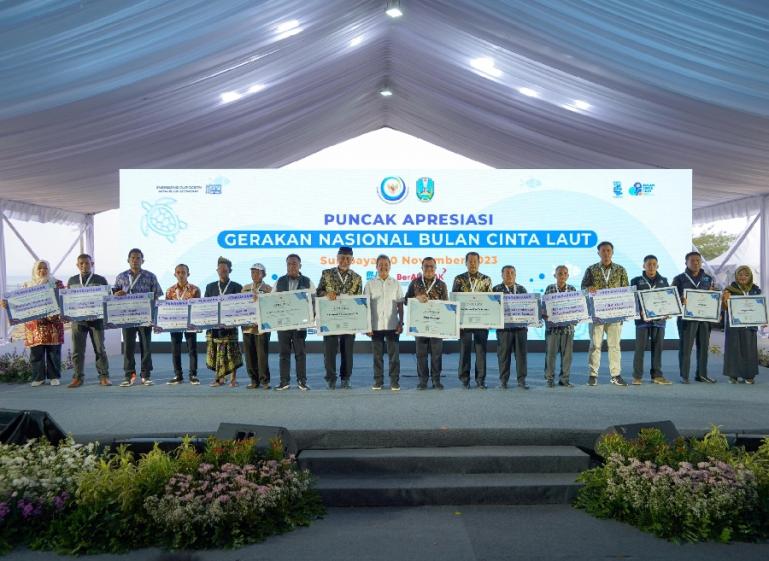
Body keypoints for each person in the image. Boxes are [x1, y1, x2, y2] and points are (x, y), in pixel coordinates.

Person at [580, 241, 630, 386]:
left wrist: (624, 312)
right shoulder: (591, 269)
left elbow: (626, 290)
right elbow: (583, 287)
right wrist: (588, 289)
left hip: (615, 314)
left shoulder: (620, 269)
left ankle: (615, 375)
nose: (606, 253)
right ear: (598, 253)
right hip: (596, 314)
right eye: (603, 250)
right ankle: (593, 375)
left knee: (614, 345)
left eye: (608, 250)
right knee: (595, 345)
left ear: (612, 252)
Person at [113, 248, 163, 387]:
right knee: (128, 347)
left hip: (145, 317)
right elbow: (114, 295)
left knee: (146, 346)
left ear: (143, 260)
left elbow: (157, 296)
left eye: (138, 258)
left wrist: (154, 317)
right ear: (128, 260)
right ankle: (129, 375)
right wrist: (117, 294)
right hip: (126, 317)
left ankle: (146, 375)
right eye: (133, 258)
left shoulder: (150, 276)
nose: (135, 260)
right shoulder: (121, 276)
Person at [12, 260, 65, 387]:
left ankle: (54, 377)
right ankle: (38, 377)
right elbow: (19, 303)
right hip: (34, 325)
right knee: (36, 353)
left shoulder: (56, 283)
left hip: (53, 324)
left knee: (53, 352)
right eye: (39, 268)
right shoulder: (27, 286)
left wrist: (57, 313)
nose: (42, 271)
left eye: (45, 268)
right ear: (35, 270)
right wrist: (7, 304)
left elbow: (64, 299)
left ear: (49, 269)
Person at [317, 246, 363, 389]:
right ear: (337, 258)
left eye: (348, 258)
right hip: (330, 318)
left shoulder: (357, 278)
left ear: (352, 260)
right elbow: (318, 292)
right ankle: (330, 378)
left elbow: (360, 300)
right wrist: (326, 294)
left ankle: (346, 378)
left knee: (347, 351)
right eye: (342, 257)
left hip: (349, 319)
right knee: (329, 351)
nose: (345, 261)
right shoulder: (327, 273)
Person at [672, 251, 718, 384]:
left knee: (703, 347)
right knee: (685, 347)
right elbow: (671, 297)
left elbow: (713, 296)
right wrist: (680, 299)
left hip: (704, 318)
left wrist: (714, 299)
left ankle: (702, 375)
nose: (696, 263)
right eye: (692, 260)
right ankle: (684, 375)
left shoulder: (708, 278)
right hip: (687, 319)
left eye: (698, 260)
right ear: (686, 263)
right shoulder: (679, 278)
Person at [66, 254, 110, 387]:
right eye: (81, 263)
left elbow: (107, 297)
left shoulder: (101, 279)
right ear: (77, 265)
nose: (84, 265)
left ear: (92, 264)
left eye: (87, 263)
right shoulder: (72, 280)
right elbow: (68, 300)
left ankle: (104, 376)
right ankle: (77, 377)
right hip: (78, 321)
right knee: (77, 351)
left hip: (96, 321)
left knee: (100, 349)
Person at [404, 257, 449, 389]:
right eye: (426, 266)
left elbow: (446, 305)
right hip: (419, 325)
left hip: (437, 325)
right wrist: (416, 298)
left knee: (436, 354)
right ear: (422, 268)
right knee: (421, 354)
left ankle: (436, 380)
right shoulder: (415, 283)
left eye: (431, 266)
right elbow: (406, 300)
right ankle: (423, 381)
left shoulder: (442, 285)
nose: (429, 269)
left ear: (435, 268)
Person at [273, 254, 315, 391]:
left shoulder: (308, 281)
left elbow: (314, 301)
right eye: (289, 264)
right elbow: (270, 301)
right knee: (283, 354)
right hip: (283, 325)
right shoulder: (279, 281)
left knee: (300, 354)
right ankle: (284, 381)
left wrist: (312, 317)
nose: (291, 266)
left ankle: (302, 381)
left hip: (300, 325)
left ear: (300, 266)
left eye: (294, 264)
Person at [452, 251, 493, 389]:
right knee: (465, 350)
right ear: (466, 263)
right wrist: (456, 322)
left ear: (479, 263)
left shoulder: (486, 279)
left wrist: (491, 320)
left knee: (481, 351)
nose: (473, 264)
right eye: (470, 261)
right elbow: (454, 300)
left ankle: (480, 379)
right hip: (464, 322)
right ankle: (464, 379)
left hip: (482, 321)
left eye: (475, 261)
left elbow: (491, 302)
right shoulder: (459, 279)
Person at [630, 255, 672, 385]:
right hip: (642, 321)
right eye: (649, 264)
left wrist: (669, 310)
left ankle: (657, 376)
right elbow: (632, 299)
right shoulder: (636, 281)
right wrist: (639, 311)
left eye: (654, 264)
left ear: (657, 266)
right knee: (640, 349)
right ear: (644, 266)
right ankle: (637, 377)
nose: (651, 266)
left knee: (658, 349)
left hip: (659, 321)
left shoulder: (664, 281)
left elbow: (668, 299)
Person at [365, 255, 404, 391]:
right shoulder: (369, 284)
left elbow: (400, 305)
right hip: (375, 326)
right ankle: (378, 381)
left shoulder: (396, 283)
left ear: (390, 266)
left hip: (392, 325)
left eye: (386, 264)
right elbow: (366, 306)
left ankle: (394, 381)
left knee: (394, 357)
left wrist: (401, 322)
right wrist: (367, 326)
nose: (383, 267)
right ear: (376, 267)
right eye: (380, 264)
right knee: (377, 357)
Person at [204, 257, 243, 387]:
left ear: (230, 271)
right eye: (220, 269)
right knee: (216, 352)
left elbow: (241, 306)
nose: (222, 272)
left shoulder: (237, 286)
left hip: (230, 327)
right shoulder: (210, 287)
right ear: (217, 270)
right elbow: (205, 305)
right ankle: (219, 378)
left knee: (231, 353)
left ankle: (233, 379)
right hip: (214, 327)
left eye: (225, 270)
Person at [722, 266, 762, 384]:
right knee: (733, 349)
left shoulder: (755, 290)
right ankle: (733, 375)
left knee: (749, 350)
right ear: (736, 276)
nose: (743, 277)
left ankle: (749, 375)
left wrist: (763, 319)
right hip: (734, 325)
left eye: (746, 275)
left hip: (750, 326)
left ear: (750, 277)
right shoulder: (729, 289)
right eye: (740, 274)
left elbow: (760, 307)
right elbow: (724, 308)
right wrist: (724, 300)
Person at [164, 264, 201, 385]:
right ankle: (178, 375)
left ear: (188, 274)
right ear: (175, 274)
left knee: (192, 349)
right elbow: (166, 309)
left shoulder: (195, 290)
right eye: (178, 272)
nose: (181, 275)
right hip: (174, 324)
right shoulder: (169, 291)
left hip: (190, 324)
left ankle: (193, 375)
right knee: (175, 349)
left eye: (183, 272)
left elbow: (198, 308)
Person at [493, 265, 529, 389]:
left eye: (512, 273)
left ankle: (522, 381)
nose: (509, 275)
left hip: (520, 329)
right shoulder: (496, 290)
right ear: (502, 275)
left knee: (521, 356)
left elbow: (528, 307)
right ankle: (503, 381)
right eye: (507, 273)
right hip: (504, 329)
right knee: (503, 356)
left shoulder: (522, 289)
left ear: (515, 275)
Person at [542, 265, 576, 388]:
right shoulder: (550, 288)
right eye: (560, 273)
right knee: (550, 355)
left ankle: (564, 379)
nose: (562, 276)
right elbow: (544, 306)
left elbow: (576, 307)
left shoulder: (572, 289)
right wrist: (544, 314)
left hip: (568, 328)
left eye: (565, 273)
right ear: (555, 275)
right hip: (553, 329)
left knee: (567, 356)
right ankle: (549, 379)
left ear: (568, 276)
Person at [242, 263, 272, 390]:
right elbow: (240, 306)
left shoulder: (269, 289)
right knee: (249, 355)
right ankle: (253, 380)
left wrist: (259, 298)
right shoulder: (245, 288)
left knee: (262, 355)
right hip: (247, 327)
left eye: (257, 272)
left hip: (262, 328)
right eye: (252, 272)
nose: (254, 274)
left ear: (263, 274)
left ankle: (264, 381)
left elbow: (271, 307)